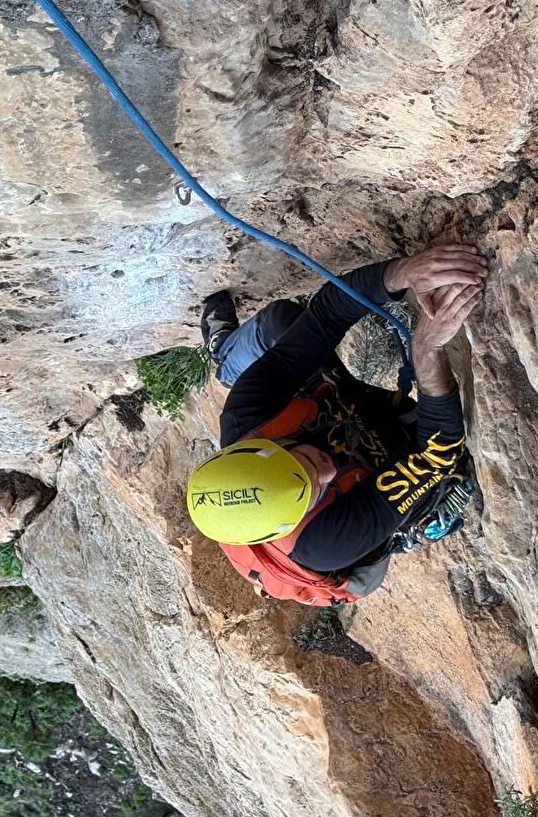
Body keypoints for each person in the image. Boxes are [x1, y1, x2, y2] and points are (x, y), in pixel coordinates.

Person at [185, 246, 487, 604]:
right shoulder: (325, 543)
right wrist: (426, 349)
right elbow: (439, 453)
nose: (328, 470)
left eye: (306, 461)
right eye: (316, 489)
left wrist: (404, 273)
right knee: (452, 479)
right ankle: (406, 521)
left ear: (268, 445)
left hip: (342, 407)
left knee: (282, 320)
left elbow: (326, 315)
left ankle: (228, 358)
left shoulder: (248, 413)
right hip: (365, 501)